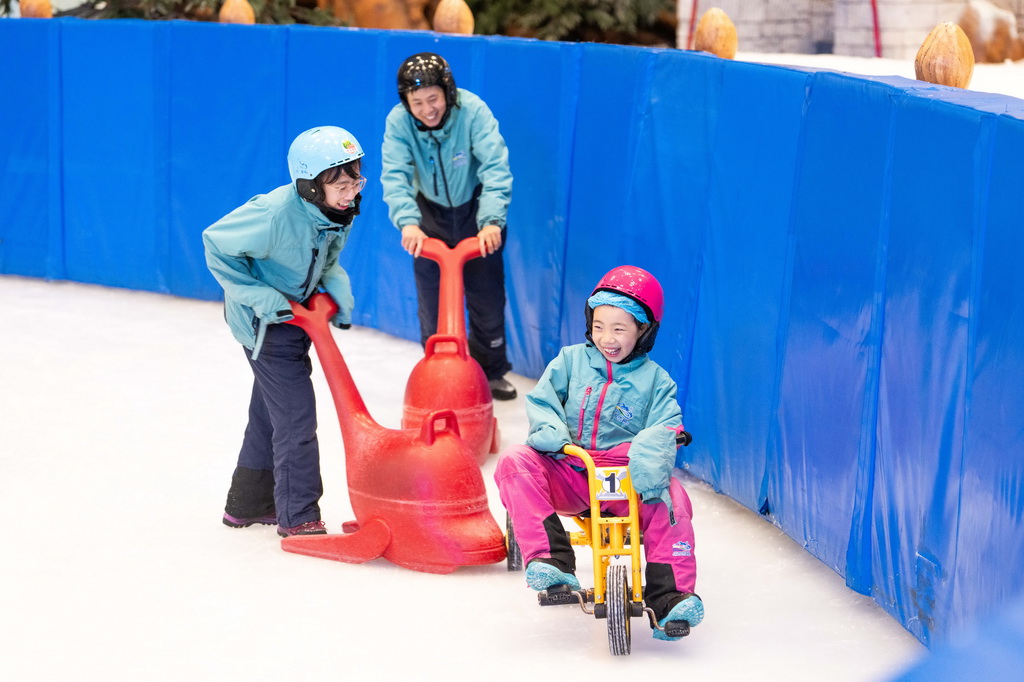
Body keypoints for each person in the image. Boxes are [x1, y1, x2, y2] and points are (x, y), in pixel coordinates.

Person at [494, 265, 705, 640]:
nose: (607, 338)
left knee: (671, 498)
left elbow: (665, 425)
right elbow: (543, 403)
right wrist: (556, 440)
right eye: (599, 326)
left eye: (619, 329)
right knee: (515, 462)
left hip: (627, 480)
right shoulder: (570, 361)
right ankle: (552, 560)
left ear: (644, 331)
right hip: (572, 469)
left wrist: (648, 456)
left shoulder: (657, 381)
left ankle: (670, 596)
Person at [202, 126, 366, 538]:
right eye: (341, 185)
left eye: (356, 181)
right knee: (295, 419)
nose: (350, 192)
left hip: (296, 318)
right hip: (264, 324)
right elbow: (215, 243)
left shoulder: (335, 212)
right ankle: (299, 516)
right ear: (310, 186)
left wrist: (339, 296)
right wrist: (263, 299)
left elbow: (326, 262)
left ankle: (248, 504)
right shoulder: (273, 214)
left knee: (270, 414)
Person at [380, 52, 517, 401]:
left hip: (475, 211)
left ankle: (490, 371)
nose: (427, 109)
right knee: (432, 301)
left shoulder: (472, 111)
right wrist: (408, 223)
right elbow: (394, 175)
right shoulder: (399, 122)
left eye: (433, 99)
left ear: (448, 92)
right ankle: (437, 372)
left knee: (486, 298)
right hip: (430, 217)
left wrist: (490, 222)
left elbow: (495, 168)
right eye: (417, 102)